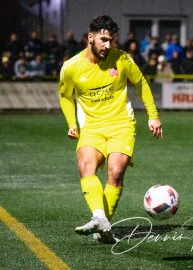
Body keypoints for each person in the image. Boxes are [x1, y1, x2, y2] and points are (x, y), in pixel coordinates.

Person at [58, 15, 162, 244]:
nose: (107, 45)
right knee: (86, 165)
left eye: (111, 40)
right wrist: (71, 123)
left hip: (121, 125)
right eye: (103, 40)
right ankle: (99, 218)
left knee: (115, 172)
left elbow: (142, 83)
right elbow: (65, 97)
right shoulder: (71, 67)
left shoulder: (122, 59)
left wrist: (153, 116)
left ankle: (103, 227)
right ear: (90, 37)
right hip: (92, 127)